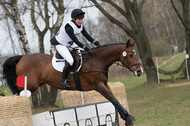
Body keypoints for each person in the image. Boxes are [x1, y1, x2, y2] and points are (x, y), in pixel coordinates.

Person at [50, 9, 101, 89]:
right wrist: (86, 48)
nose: (81, 21)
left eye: (82, 19)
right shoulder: (69, 27)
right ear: (74, 19)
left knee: (84, 53)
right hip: (61, 44)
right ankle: (63, 81)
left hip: (69, 43)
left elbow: (87, 36)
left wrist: (95, 42)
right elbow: (76, 41)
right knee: (70, 61)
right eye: (79, 19)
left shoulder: (80, 26)